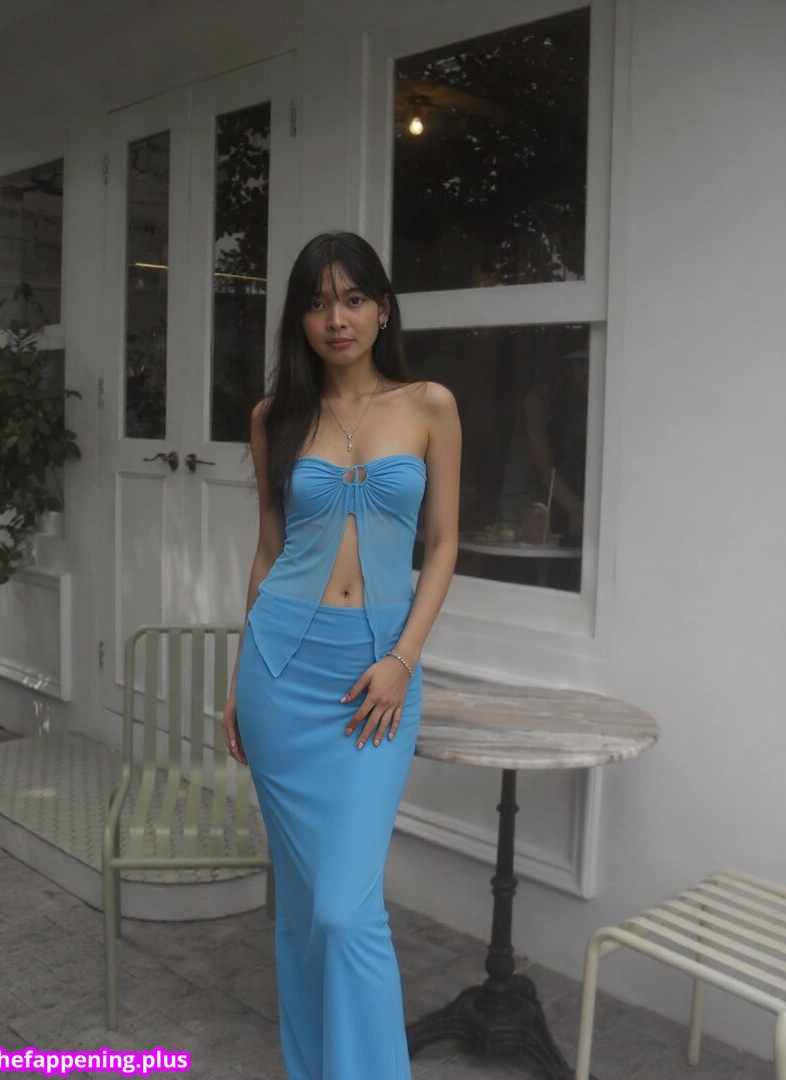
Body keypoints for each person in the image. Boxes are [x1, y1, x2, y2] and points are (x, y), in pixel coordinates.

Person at [220, 230, 461, 1079]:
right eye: (317, 302)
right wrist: (237, 681)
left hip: (377, 678)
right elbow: (268, 550)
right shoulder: (274, 418)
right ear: (298, 318)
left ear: (382, 308)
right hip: (280, 671)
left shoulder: (429, 405)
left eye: (353, 298)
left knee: (343, 911)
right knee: (300, 908)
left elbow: (442, 544)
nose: (336, 318)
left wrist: (403, 659)